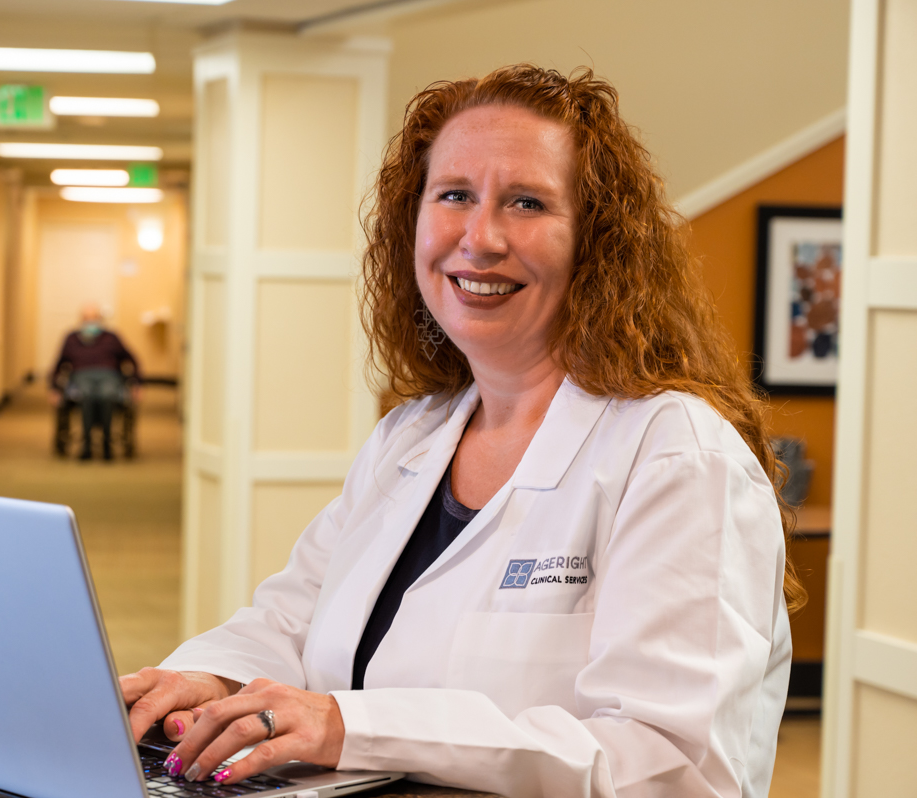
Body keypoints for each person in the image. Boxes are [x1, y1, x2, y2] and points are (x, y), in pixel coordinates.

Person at [120, 65, 804, 797]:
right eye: (454, 196)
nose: (479, 238)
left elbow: (678, 765)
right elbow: (293, 619)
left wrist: (355, 727)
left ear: (596, 242)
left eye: (527, 202)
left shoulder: (678, 455)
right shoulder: (412, 436)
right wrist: (210, 678)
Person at [50, 304, 141, 461]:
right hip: (81, 376)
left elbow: (132, 359)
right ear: (81, 320)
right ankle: (87, 444)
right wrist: (54, 388)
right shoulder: (71, 338)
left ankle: (107, 444)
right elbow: (58, 365)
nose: (90, 322)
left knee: (107, 395)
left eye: (94, 318)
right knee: (86, 395)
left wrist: (138, 384)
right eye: (87, 318)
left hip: (109, 376)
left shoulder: (112, 337)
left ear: (100, 320)